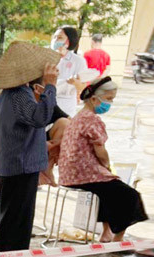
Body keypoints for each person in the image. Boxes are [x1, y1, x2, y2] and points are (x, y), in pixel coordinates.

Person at [0, 42, 60, 257]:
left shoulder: (17, 93)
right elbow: (41, 118)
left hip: (18, 163)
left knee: (18, 214)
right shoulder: (18, 95)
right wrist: (51, 87)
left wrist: (41, 93)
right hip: (18, 164)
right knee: (11, 215)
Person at [58, 77, 148, 242]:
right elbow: (101, 151)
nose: (110, 103)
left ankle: (106, 233)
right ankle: (118, 240)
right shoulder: (91, 119)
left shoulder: (78, 117)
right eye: (108, 99)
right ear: (93, 99)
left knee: (108, 189)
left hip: (69, 173)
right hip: (83, 174)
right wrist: (107, 166)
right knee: (130, 195)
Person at [51, 26, 88, 117]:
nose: (55, 40)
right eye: (54, 37)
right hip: (45, 104)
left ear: (69, 41)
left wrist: (75, 83)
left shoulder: (78, 61)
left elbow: (83, 87)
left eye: (59, 37)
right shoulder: (46, 58)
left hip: (66, 108)